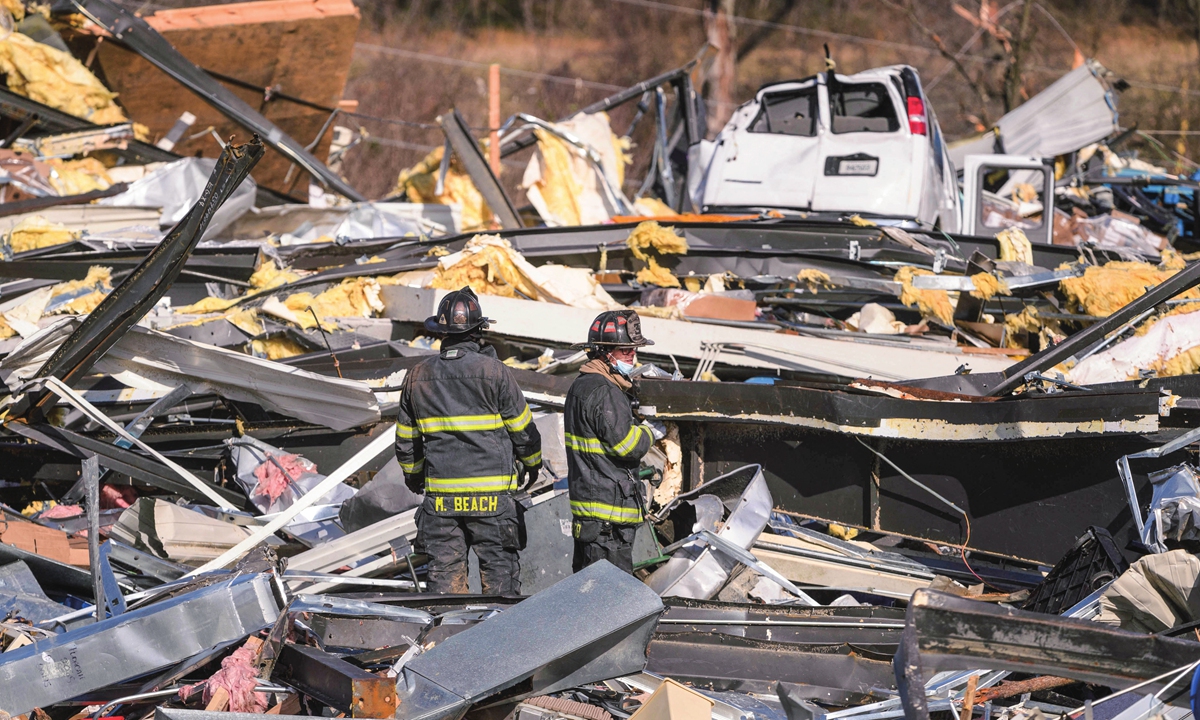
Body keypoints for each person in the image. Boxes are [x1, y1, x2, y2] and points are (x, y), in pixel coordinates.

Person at [395, 287, 542, 594]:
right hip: (491, 500)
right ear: (479, 331)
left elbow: (406, 441)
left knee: (445, 588)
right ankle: (502, 641)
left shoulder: (417, 376)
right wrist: (532, 464)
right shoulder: (494, 372)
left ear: (440, 332)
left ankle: (449, 638)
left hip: (441, 504)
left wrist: (414, 476)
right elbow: (523, 431)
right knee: (500, 584)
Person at [564, 309, 665, 574]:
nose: (631, 356)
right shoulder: (605, 392)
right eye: (624, 351)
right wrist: (650, 432)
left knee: (589, 596)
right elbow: (627, 445)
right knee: (610, 603)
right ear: (604, 352)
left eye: (633, 350)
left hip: (593, 516)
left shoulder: (582, 386)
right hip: (608, 521)